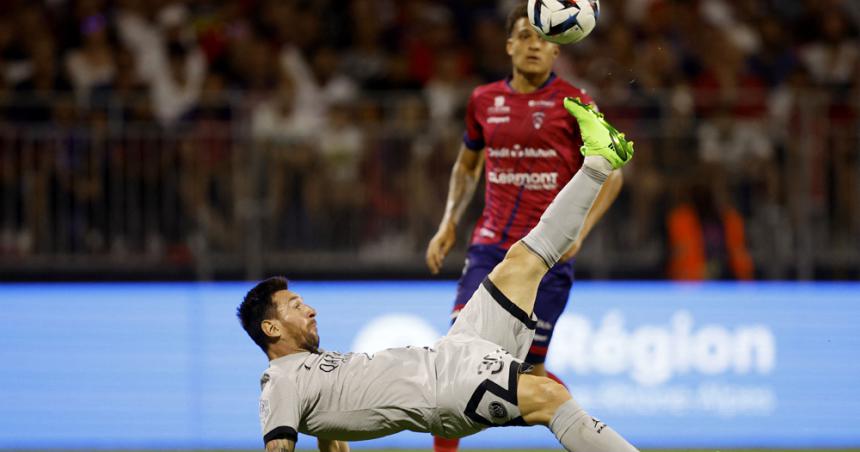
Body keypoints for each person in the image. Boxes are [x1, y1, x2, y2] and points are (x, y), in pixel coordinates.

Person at [237, 97, 638, 452]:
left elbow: (331, 436)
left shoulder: (316, 372)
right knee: (549, 396)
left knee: (522, 261)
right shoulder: (280, 383)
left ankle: (600, 160)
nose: (311, 310)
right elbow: (279, 444)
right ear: (271, 329)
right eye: (295, 306)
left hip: (454, 350)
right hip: (447, 392)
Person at [425, 7, 622, 451]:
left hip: (545, 258)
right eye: (524, 36)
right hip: (491, 250)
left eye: (542, 38)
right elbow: (467, 164)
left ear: (558, 47)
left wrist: (580, 232)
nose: (534, 44)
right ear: (509, 45)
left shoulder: (576, 103)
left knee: (529, 375)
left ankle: (586, 438)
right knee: (455, 361)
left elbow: (614, 173)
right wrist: (448, 223)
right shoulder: (483, 100)